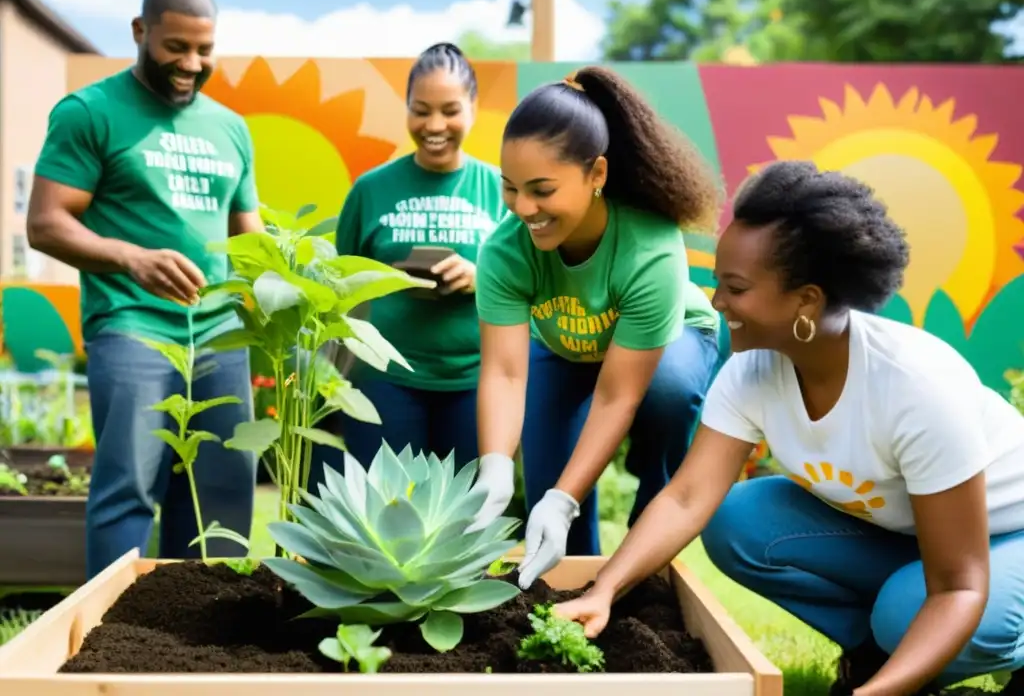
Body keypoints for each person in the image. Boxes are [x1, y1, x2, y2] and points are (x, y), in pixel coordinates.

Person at [553, 160, 1024, 696]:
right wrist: (604, 589)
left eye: (736, 287)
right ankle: (881, 654)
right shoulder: (754, 370)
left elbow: (959, 587)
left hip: (1006, 539)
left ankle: (950, 654)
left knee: (906, 612)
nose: (717, 302)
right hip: (916, 537)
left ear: (806, 300)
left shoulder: (915, 388)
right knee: (739, 522)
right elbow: (687, 498)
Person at [27, 0, 261, 579]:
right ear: (140, 32)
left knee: (224, 493)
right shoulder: (91, 112)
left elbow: (249, 239)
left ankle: (199, 640)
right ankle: (112, 635)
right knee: (129, 483)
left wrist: (279, 307)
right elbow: (47, 224)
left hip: (219, 335)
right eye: (175, 47)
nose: (191, 63)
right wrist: (133, 257)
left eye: (204, 50)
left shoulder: (230, 128)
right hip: (132, 325)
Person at [468, 66, 723, 591]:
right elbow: (505, 373)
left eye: (542, 190)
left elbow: (616, 395)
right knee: (546, 473)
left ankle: (648, 541)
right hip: (566, 349)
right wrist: (494, 468)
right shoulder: (504, 250)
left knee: (669, 390)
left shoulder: (649, 247)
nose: (523, 209)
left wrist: (564, 502)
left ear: (597, 174)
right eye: (510, 189)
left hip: (670, 344)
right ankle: (572, 581)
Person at [307, 43, 506, 487]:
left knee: (465, 521)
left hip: (475, 382)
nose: (435, 126)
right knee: (385, 513)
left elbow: (530, 282)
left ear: (473, 107)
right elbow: (341, 289)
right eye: (421, 110)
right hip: (383, 382)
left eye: (450, 110)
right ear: (407, 109)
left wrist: (482, 278)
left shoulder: (499, 189)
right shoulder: (371, 189)